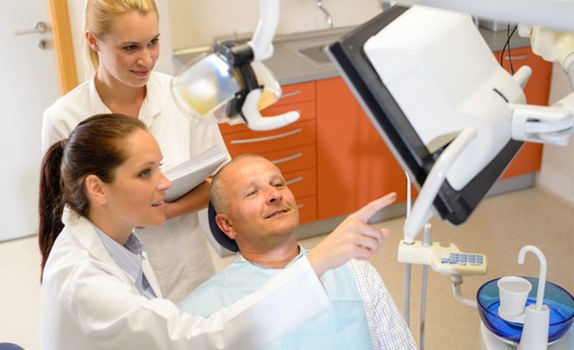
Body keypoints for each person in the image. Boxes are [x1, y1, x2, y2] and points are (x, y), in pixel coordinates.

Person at [38, 114, 397, 349]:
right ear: (97, 189)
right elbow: (200, 342)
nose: (165, 183)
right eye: (145, 172)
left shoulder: (120, 243)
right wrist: (317, 262)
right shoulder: (86, 283)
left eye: (159, 167)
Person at [41, 0, 228, 303]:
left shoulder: (184, 96)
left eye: (153, 42)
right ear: (92, 41)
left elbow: (219, 183)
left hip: (187, 265)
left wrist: (165, 211)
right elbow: (67, 215)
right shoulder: (63, 118)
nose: (146, 59)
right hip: (110, 278)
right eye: (130, 48)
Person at [178, 154, 416, 349]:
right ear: (227, 225)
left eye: (278, 184)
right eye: (252, 192)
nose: (274, 195)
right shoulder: (199, 313)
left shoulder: (356, 272)